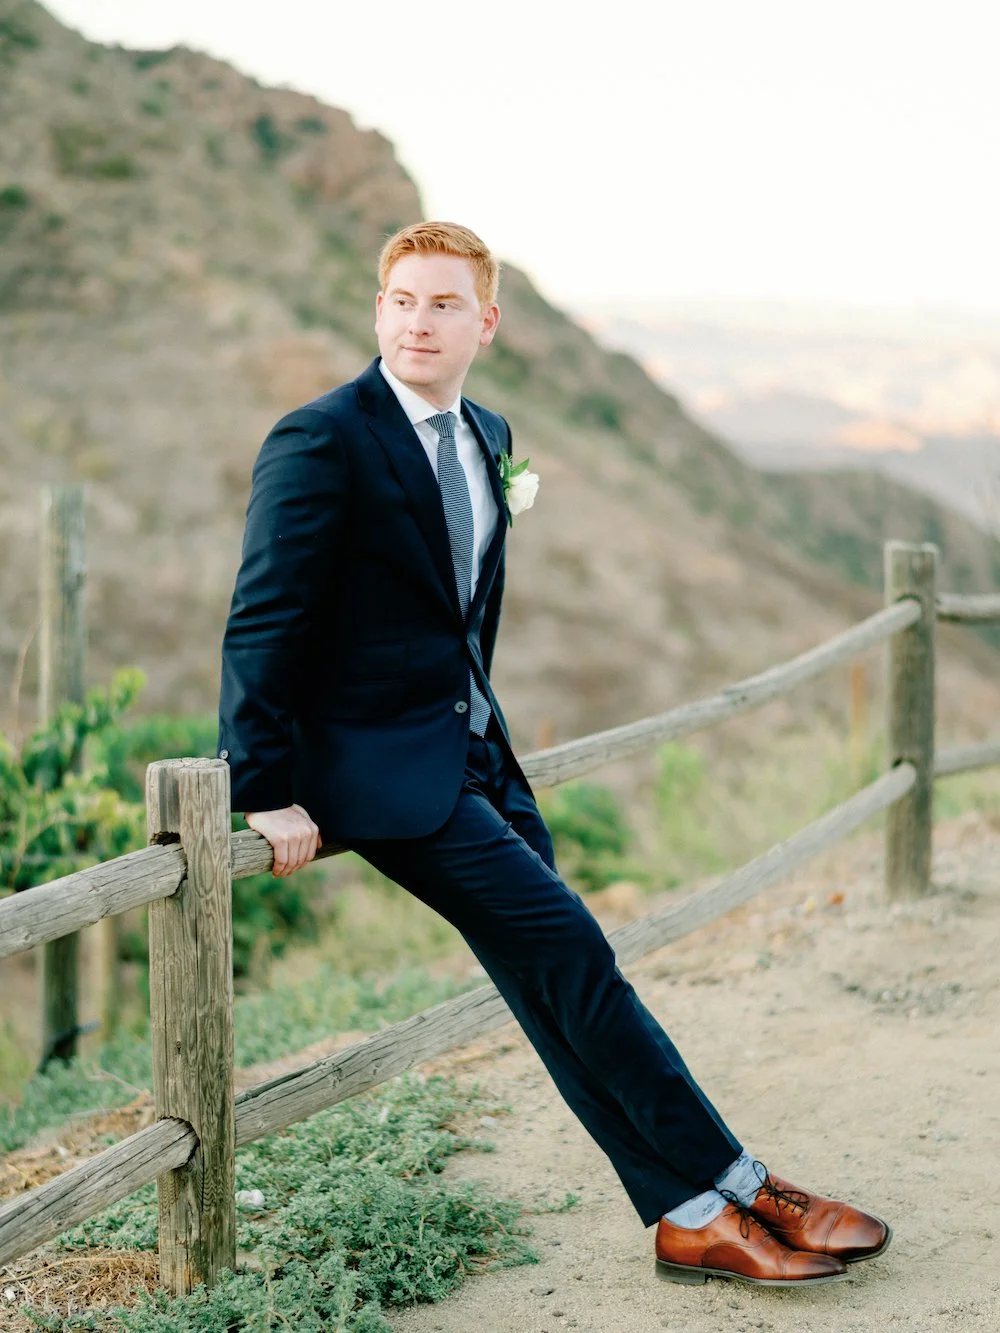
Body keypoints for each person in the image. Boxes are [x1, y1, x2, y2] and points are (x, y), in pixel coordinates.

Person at [216, 221, 891, 1287]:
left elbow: (458, 615)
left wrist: (478, 729)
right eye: (400, 299)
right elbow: (263, 618)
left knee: (553, 988)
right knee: (578, 958)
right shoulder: (319, 439)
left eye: (443, 304)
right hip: (378, 779)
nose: (417, 321)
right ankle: (746, 1181)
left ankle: (681, 1213)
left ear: (485, 320)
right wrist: (263, 789)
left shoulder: (487, 430)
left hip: (475, 757)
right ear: (376, 309)